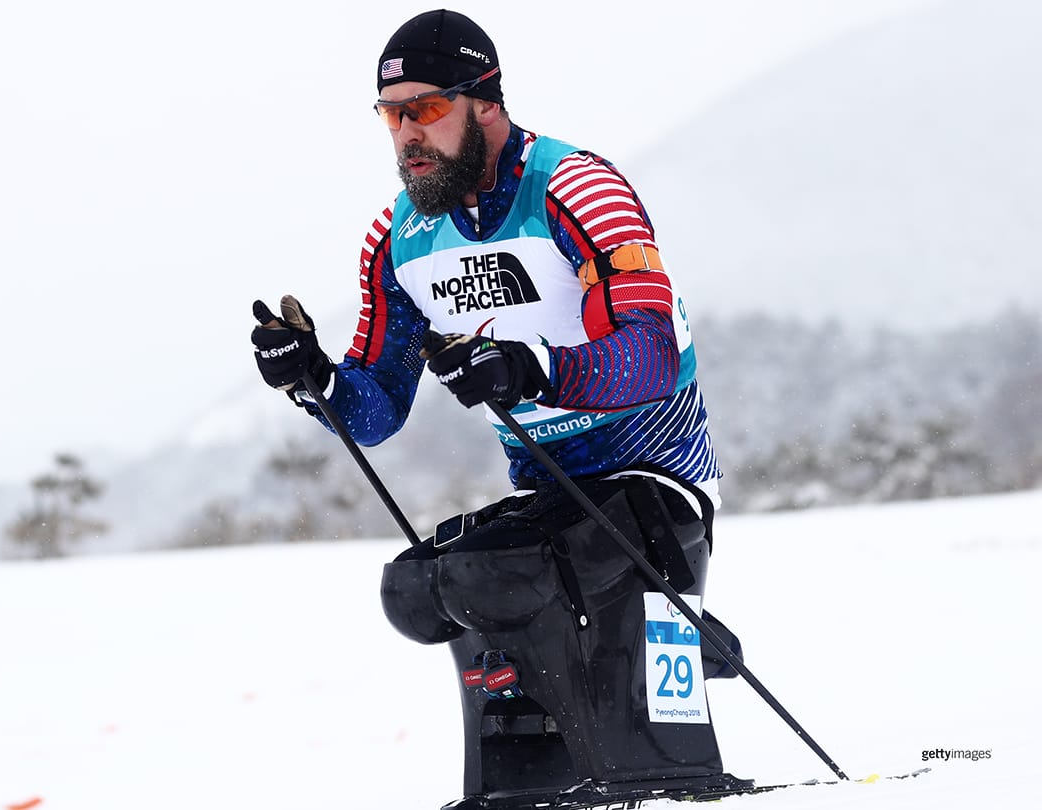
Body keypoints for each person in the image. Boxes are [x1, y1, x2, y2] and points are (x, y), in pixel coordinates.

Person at [251, 10, 746, 806]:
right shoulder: (401, 236)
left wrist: (531, 369)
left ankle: (660, 693)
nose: (407, 134)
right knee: (418, 588)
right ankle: (530, 768)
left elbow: (652, 354)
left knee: (501, 572)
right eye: (391, 114)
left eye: (427, 109)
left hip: (656, 484)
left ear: (485, 102)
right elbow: (376, 410)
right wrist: (315, 378)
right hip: (551, 498)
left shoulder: (576, 187)